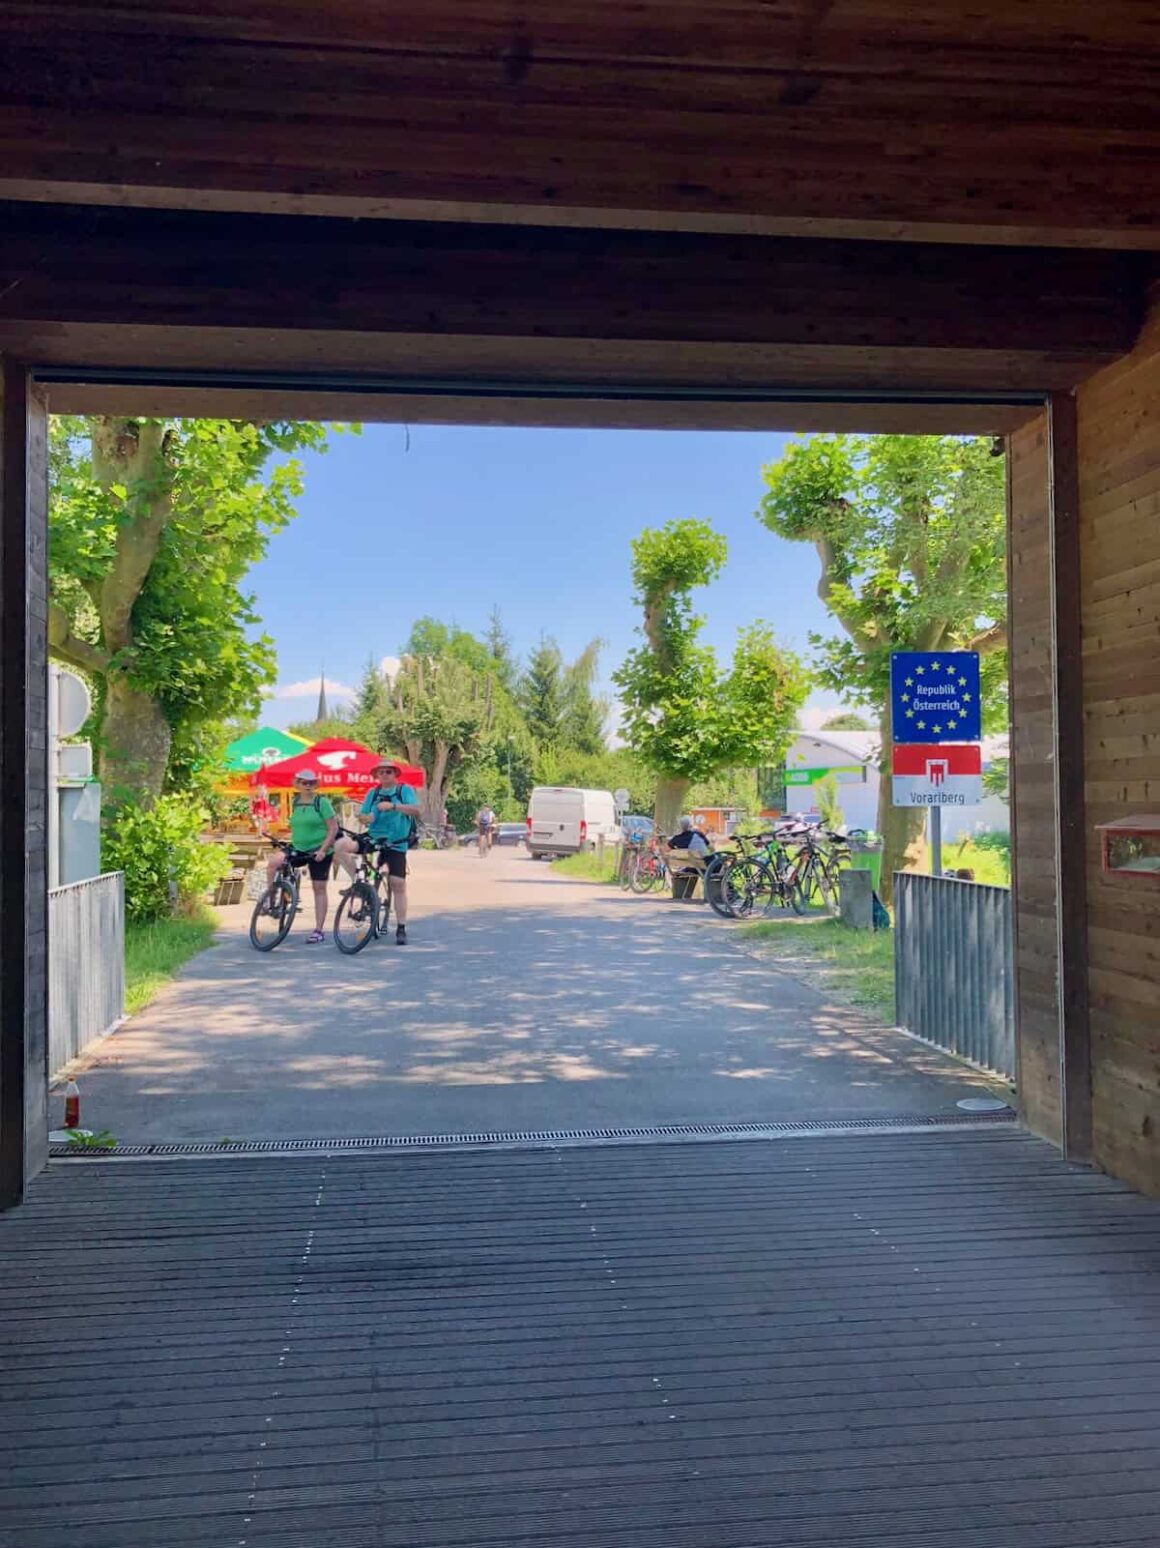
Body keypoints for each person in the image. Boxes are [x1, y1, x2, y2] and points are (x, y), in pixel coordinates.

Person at [339, 758, 419, 944]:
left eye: (388, 772)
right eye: (381, 772)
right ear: (376, 775)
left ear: (395, 774)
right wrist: (364, 818)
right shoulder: (373, 793)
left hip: (397, 841)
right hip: (374, 836)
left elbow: (416, 811)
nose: (384, 775)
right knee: (341, 846)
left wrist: (394, 806)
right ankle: (359, 884)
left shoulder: (403, 790)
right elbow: (367, 817)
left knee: (397, 883)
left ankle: (401, 927)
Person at [263, 768, 338, 943]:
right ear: (298, 784)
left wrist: (323, 849)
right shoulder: (295, 802)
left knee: (318, 888)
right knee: (274, 862)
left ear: (316, 785)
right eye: (304, 782)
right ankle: (271, 901)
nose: (308, 786)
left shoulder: (322, 802)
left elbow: (333, 828)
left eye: (311, 783)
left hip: (319, 849)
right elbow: (297, 827)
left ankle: (319, 930)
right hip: (298, 846)